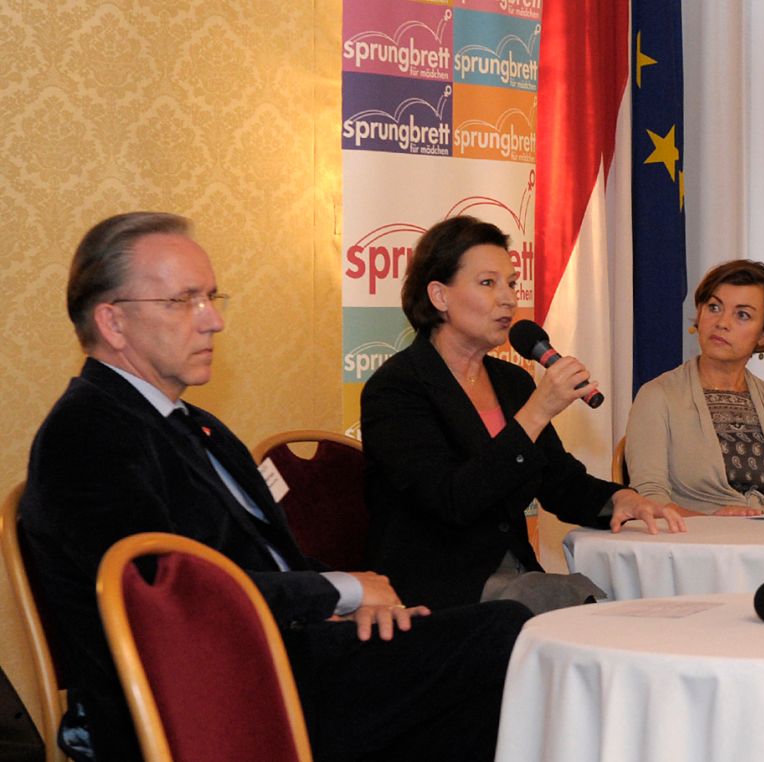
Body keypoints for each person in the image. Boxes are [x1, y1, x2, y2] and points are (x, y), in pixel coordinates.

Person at [19, 212, 530, 761]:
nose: (212, 319)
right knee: (504, 637)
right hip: (217, 697)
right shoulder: (89, 432)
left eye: (212, 297)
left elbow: (271, 557)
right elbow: (167, 598)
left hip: (285, 656)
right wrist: (342, 592)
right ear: (113, 323)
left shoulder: (195, 426)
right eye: (183, 301)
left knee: (485, 636)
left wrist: (355, 599)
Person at [361, 216, 685, 613]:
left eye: (511, 283)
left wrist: (620, 498)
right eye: (487, 283)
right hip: (440, 592)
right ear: (439, 296)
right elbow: (451, 501)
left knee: (636, 611)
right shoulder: (396, 388)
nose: (509, 298)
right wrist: (537, 412)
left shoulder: (511, 381)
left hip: (516, 580)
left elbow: (560, 483)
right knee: (591, 618)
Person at [625, 259, 764, 515]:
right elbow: (650, 499)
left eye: (742, 315)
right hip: (692, 547)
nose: (722, 322)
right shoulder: (657, 396)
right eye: (714, 307)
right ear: (699, 314)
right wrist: (713, 520)